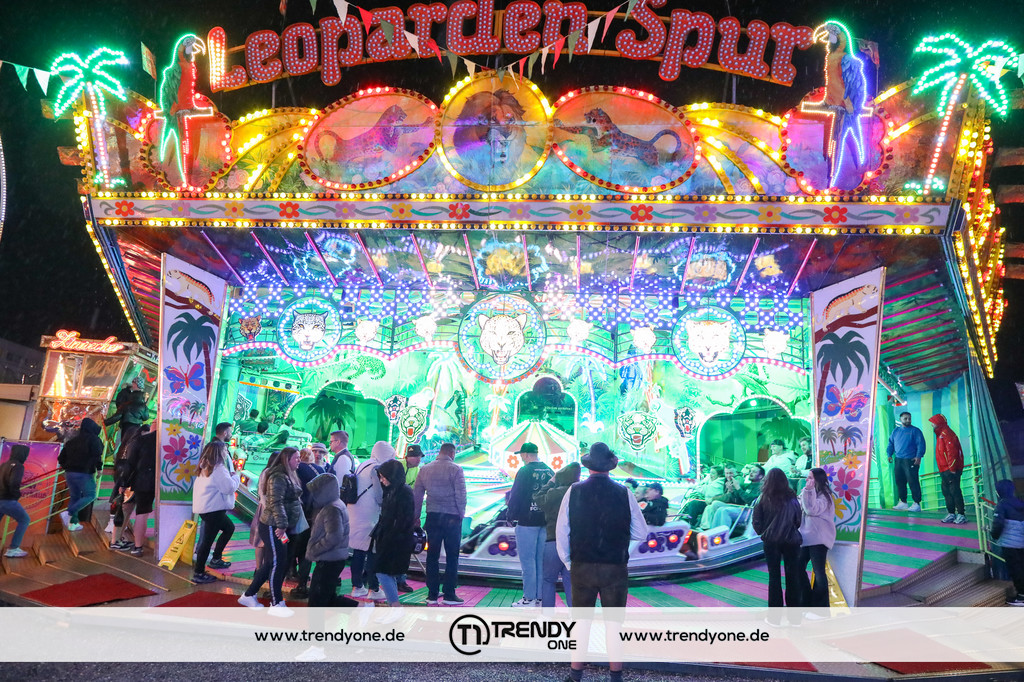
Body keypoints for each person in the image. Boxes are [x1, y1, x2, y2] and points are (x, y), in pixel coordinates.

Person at [556, 443, 647, 682]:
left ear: (589, 467)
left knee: (581, 623)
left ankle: (575, 675)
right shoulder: (624, 493)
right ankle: (615, 676)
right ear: (609, 466)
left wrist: (569, 562)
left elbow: (562, 530)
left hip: (582, 565)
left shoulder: (574, 491)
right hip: (614, 567)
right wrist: (623, 551)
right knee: (614, 625)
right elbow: (641, 531)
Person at [238, 446, 303, 616]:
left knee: (270, 562)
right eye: (296, 458)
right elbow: (276, 502)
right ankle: (276, 602)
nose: (299, 460)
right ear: (286, 459)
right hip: (273, 526)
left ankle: (249, 595)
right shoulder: (278, 477)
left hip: (280, 526)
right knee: (277, 562)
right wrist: (281, 525)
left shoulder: (289, 475)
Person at [413, 441, 467, 605]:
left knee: (432, 556)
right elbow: (461, 495)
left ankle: (432, 594)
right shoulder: (456, 469)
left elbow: (417, 496)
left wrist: (416, 516)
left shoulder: (425, 469)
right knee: (452, 556)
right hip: (452, 518)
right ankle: (449, 594)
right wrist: (461, 514)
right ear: (452, 453)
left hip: (433, 516)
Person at [507, 442, 555, 607]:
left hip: (527, 522)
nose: (521, 458)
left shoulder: (524, 471)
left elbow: (516, 495)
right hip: (545, 522)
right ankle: (540, 598)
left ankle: (528, 598)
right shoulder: (549, 471)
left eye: (521, 455)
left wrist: (511, 515)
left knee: (528, 562)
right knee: (540, 562)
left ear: (526, 454)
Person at [348, 441, 394, 600]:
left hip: (355, 512)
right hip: (369, 516)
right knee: (372, 551)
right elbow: (379, 495)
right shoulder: (376, 468)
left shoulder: (363, 464)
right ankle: (373, 588)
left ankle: (357, 586)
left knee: (358, 551)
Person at [372, 459, 416, 623]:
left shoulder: (402, 492)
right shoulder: (395, 490)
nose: (382, 480)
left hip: (395, 541)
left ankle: (395, 608)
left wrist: (389, 535)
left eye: (383, 477)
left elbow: (402, 520)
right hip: (392, 539)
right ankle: (394, 607)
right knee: (385, 572)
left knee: (383, 572)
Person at [752, 467, 803, 608]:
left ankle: (775, 613)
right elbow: (798, 520)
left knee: (774, 577)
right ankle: (794, 612)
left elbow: (756, 521)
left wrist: (764, 532)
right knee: (792, 576)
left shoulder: (762, 498)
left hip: (771, 541)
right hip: (791, 541)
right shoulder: (792, 497)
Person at [191, 441, 240, 584]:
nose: (227, 452)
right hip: (213, 509)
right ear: (219, 452)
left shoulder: (205, 465)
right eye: (225, 450)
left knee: (228, 528)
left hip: (207, 508)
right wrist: (235, 476)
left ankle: (216, 558)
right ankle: (199, 572)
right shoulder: (218, 468)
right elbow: (228, 488)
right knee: (207, 542)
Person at [534, 461, 580, 608]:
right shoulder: (579, 493)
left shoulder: (554, 493)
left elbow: (538, 497)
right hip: (573, 544)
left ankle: (547, 616)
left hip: (553, 541)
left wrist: (550, 482)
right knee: (571, 582)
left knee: (548, 580)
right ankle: (574, 616)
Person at [306, 472, 353, 607]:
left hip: (328, 560)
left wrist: (314, 549)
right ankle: (363, 609)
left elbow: (334, 536)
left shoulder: (331, 509)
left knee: (317, 601)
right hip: (334, 559)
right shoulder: (336, 504)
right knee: (329, 598)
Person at [798, 467, 836, 608]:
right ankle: (807, 598)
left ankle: (820, 606)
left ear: (818, 480)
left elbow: (811, 509)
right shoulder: (807, 492)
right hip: (806, 537)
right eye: (807, 477)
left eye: (810, 478)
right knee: (798, 566)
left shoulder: (825, 496)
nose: (807, 480)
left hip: (819, 538)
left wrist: (808, 491)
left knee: (818, 571)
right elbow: (799, 505)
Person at [58, 417, 104, 532]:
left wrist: (67, 467)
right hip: (84, 473)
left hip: (69, 473)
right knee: (91, 495)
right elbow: (97, 455)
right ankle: (69, 512)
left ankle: (72, 523)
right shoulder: (94, 439)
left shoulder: (72, 441)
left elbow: (61, 458)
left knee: (75, 497)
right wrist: (99, 469)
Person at [291, 447, 325, 598]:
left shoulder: (297, 470)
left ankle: (294, 573)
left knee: (295, 545)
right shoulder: (320, 470)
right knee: (308, 549)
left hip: (301, 513)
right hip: (316, 515)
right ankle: (304, 582)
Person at [121, 429, 157, 556]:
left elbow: (130, 464)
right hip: (169, 482)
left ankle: (138, 546)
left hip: (144, 481)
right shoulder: (174, 439)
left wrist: (124, 483)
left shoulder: (142, 440)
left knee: (142, 513)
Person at [396, 445, 424, 593]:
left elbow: (416, 495)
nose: (419, 459)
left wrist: (415, 515)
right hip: (394, 513)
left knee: (404, 549)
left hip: (407, 514)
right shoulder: (397, 466)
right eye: (416, 456)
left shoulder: (418, 471)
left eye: (420, 457)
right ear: (408, 456)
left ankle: (400, 579)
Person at [929, 414, 966, 524]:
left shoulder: (947, 433)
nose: (931, 425)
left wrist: (952, 469)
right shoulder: (940, 434)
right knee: (946, 492)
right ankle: (951, 513)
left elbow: (952, 452)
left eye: (933, 422)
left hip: (951, 469)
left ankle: (961, 514)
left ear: (938, 422)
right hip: (944, 469)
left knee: (955, 491)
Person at [992, 479, 1024, 606]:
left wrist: (994, 535)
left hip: (1010, 544)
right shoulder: (1020, 502)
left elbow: (998, 524)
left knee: (1015, 570)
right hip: (1021, 542)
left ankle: (1021, 597)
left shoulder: (1002, 505)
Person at [705, 464, 764, 530]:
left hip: (751, 513)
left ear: (761, 476)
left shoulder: (761, 487)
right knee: (719, 509)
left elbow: (749, 499)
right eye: (750, 471)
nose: (751, 473)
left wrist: (738, 488)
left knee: (725, 511)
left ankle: (723, 534)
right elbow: (738, 500)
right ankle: (714, 532)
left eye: (754, 472)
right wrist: (731, 491)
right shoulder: (748, 486)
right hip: (742, 509)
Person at [887, 411, 926, 512]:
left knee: (913, 481)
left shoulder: (915, 431)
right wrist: (889, 454)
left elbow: (921, 444)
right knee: (899, 481)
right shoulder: (896, 431)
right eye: (905, 418)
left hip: (911, 460)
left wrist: (919, 456)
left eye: (909, 418)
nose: (908, 420)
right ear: (900, 419)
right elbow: (891, 443)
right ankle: (903, 502)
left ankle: (916, 503)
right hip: (898, 460)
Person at [0, 444, 31, 558]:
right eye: (26, 455)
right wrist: (16, 496)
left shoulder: (4, 465)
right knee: (24, 519)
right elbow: (14, 482)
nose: (26, 457)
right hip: (8, 499)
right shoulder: (18, 466)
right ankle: (13, 549)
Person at [104, 379, 149, 447]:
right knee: (131, 446)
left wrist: (105, 423)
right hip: (137, 428)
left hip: (125, 427)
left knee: (121, 445)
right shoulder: (143, 406)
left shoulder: (126, 404)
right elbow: (145, 417)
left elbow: (117, 416)